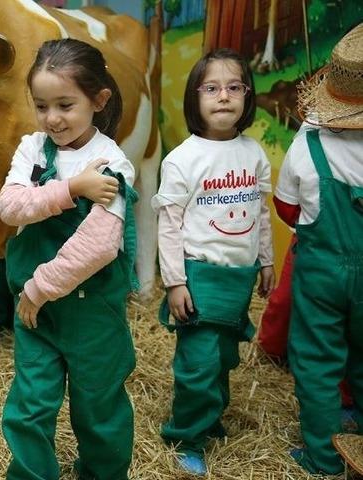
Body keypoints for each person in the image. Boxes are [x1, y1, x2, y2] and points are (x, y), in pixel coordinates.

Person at [0, 38, 140, 480]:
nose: (52, 118)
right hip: (35, 311)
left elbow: (98, 245)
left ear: (98, 100)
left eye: (65, 104)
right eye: (41, 106)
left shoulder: (112, 162)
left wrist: (40, 289)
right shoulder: (33, 148)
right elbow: (9, 206)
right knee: (29, 404)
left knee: (98, 407)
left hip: (89, 311)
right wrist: (71, 189)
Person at [152, 48, 274, 476]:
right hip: (199, 279)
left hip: (238, 279)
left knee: (222, 357)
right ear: (194, 97)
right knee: (198, 362)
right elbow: (168, 226)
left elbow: (259, 213)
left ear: (246, 95)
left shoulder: (254, 154)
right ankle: (186, 436)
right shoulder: (183, 159)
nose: (224, 96)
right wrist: (174, 282)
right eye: (212, 88)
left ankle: (210, 417)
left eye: (234, 87)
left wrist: (265, 262)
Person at [273, 23, 363, 475]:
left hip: (322, 271)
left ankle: (323, 457)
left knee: (317, 362)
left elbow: (287, 209)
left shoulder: (307, 144)